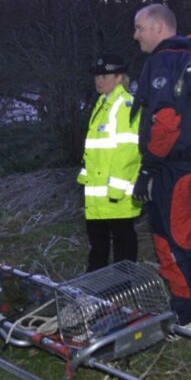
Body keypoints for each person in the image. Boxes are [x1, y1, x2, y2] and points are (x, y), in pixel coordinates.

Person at [131, 4, 191, 333]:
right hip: (187, 164)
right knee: (187, 236)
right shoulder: (187, 57)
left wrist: (148, 168)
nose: (135, 35)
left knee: (170, 238)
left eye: (139, 28)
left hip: (172, 167)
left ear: (157, 28)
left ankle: (182, 312)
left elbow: (166, 121)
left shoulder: (164, 62)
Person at [77, 53, 142, 272]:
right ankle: (94, 289)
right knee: (97, 247)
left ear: (119, 77)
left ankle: (122, 287)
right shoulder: (102, 104)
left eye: (105, 75)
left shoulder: (125, 105)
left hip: (116, 195)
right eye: (97, 76)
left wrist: (116, 190)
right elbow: (95, 150)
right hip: (97, 194)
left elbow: (129, 151)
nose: (99, 80)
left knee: (123, 243)